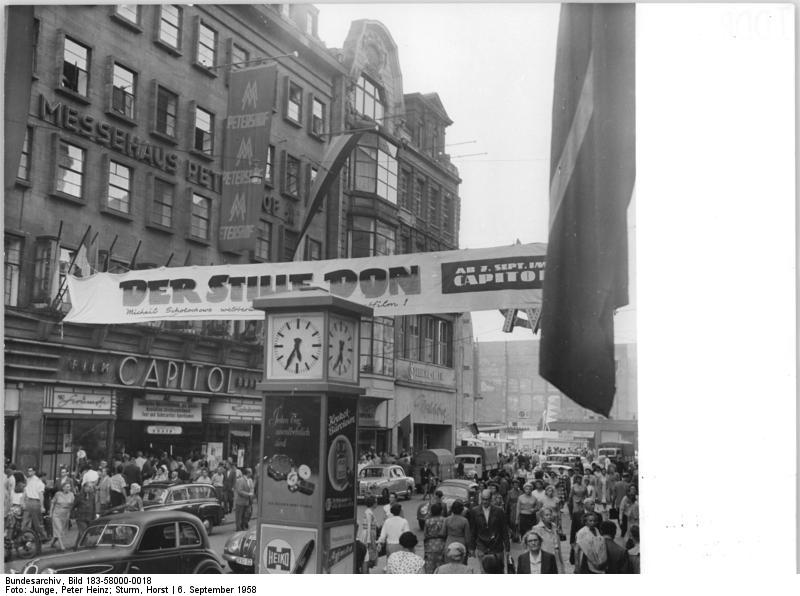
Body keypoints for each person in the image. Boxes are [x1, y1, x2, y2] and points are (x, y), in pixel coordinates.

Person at [469, 489, 509, 563]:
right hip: (482, 546)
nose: (485, 502)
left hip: (496, 546)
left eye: (487, 499)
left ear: (491, 499)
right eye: (483, 499)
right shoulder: (475, 511)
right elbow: (473, 530)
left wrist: (507, 548)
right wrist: (472, 547)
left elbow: (504, 529)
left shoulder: (499, 511)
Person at [533, 506, 565, 573]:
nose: (549, 517)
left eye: (550, 514)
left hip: (556, 554)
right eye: (546, 515)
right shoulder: (537, 528)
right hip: (545, 556)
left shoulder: (554, 526)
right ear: (542, 517)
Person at [22, 466, 47, 540]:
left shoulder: (38, 482)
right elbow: (25, 492)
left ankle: (43, 536)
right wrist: (23, 501)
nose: (29, 472)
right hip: (30, 502)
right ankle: (29, 537)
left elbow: (41, 495)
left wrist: (42, 506)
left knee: (35, 522)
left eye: (31, 471)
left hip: (34, 502)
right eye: (28, 471)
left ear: (34, 472)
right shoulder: (29, 481)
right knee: (26, 522)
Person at [422, 502, 448, 573]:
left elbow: (425, 534)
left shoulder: (428, 521)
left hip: (430, 546)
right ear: (441, 511)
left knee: (430, 568)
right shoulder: (445, 520)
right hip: (442, 545)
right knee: (441, 568)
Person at [49, 482, 74, 552]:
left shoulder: (71, 495)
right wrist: (50, 512)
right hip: (57, 514)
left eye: (69, 487)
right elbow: (53, 502)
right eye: (67, 487)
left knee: (61, 530)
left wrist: (70, 514)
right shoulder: (58, 494)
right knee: (59, 529)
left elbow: (72, 505)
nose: (68, 488)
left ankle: (52, 543)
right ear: (63, 488)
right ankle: (62, 546)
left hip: (65, 514)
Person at [359, 496, 379, 570]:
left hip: (369, 533)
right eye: (376, 502)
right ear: (373, 503)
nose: (377, 503)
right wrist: (368, 539)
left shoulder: (369, 512)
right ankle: (368, 565)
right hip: (369, 533)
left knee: (370, 550)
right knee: (370, 550)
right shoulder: (369, 513)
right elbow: (369, 525)